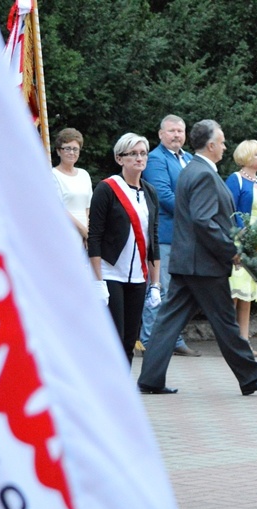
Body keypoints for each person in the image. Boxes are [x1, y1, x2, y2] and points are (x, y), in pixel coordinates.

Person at [137, 119, 257, 396]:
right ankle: (250, 377)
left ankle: (150, 379)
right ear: (212, 144)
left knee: (168, 322)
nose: (225, 146)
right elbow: (204, 221)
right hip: (202, 264)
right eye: (223, 141)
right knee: (226, 322)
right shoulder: (202, 173)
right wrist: (233, 251)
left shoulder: (193, 169)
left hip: (189, 262)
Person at [87, 133, 162, 364]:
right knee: (114, 338)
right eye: (133, 154)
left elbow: (153, 239)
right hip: (111, 274)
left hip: (139, 277)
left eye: (143, 153)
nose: (139, 159)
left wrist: (156, 284)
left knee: (130, 340)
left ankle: (123, 394)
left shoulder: (149, 192)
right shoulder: (107, 189)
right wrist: (98, 280)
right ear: (120, 159)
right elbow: (95, 236)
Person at [140, 115, 200, 357]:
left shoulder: (188, 159)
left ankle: (174, 339)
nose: (177, 135)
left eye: (180, 131)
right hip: (165, 235)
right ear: (161, 134)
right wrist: (197, 213)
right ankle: (149, 341)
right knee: (159, 289)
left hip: (186, 237)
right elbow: (163, 195)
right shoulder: (155, 159)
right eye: (172, 131)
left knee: (178, 293)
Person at [225, 140, 257, 357]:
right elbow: (229, 209)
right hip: (239, 240)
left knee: (248, 295)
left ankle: (243, 341)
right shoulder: (235, 180)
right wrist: (241, 236)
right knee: (234, 292)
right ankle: (229, 341)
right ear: (247, 156)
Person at [51, 127, 93, 244]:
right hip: (64, 232)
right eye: (67, 148)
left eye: (75, 149)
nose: (71, 153)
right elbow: (58, 208)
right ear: (59, 151)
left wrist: (88, 232)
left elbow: (87, 207)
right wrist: (82, 229)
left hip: (85, 235)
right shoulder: (53, 175)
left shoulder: (84, 174)